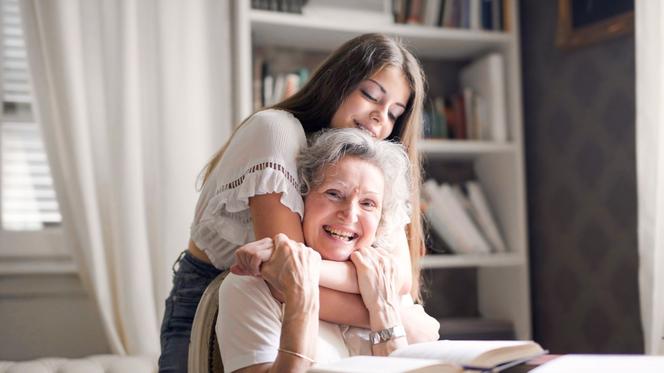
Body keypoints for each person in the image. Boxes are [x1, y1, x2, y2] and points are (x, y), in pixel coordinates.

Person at [158, 33, 436, 373]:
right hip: (217, 298)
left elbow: (399, 279)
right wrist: (394, 314)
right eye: (370, 95)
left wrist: (385, 298)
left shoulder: (372, 164)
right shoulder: (275, 131)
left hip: (303, 307)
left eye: (394, 113)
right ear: (336, 84)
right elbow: (287, 277)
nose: (380, 118)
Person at [219, 129, 415, 373]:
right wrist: (300, 293)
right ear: (301, 198)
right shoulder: (251, 288)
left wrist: (384, 310)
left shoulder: (387, 290)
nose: (350, 214)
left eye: (368, 203)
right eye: (334, 194)